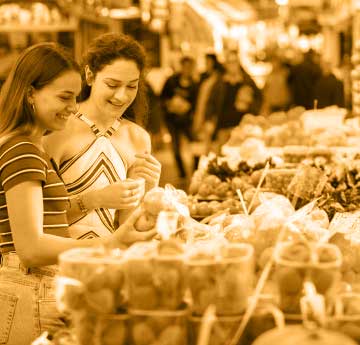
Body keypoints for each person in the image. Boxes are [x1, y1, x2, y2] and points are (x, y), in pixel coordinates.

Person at [0, 42, 156, 345]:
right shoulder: (25, 149)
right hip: (30, 290)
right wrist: (109, 239)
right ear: (31, 92)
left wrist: (145, 190)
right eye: (64, 97)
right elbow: (30, 247)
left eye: (132, 86)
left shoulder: (26, 147)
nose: (72, 108)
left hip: (53, 286)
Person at [44, 33, 161, 240]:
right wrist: (95, 199)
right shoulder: (57, 128)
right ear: (89, 76)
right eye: (112, 85)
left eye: (131, 86)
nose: (122, 96)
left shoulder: (138, 138)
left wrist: (150, 192)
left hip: (108, 262)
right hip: (57, 262)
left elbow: (129, 229)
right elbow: (40, 215)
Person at [209, 50, 262, 150]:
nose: (232, 65)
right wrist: (210, 120)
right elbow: (212, 102)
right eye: (229, 62)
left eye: (234, 61)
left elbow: (259, 98)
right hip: (224, 125)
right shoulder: (220, 82)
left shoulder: (246, 80)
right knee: (225, 152)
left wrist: (251, 109)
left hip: (242, 126)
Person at [160, 56, 198, 178]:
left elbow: (197, 103)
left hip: (187, 120)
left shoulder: (194, 84)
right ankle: (182, 173)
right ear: (181, 66)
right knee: (176, 147)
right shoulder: (171, 81)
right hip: (172, 119)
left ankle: (195, 170)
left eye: (189, 66)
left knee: (195, 145)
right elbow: (161, 98)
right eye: (185, 66)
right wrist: (171, 104)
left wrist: (188, 108)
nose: (187, 69)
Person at [191, 53, 224, 168]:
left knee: (208, 147)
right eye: (206, 62)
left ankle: (207, 169)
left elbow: (218, 101)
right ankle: (198, 169)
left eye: (208, 62)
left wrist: (213, 118)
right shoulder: (203, 77)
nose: (206, 64)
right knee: (199, 145)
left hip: (210, 117)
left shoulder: (219, 78)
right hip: (200, 115)